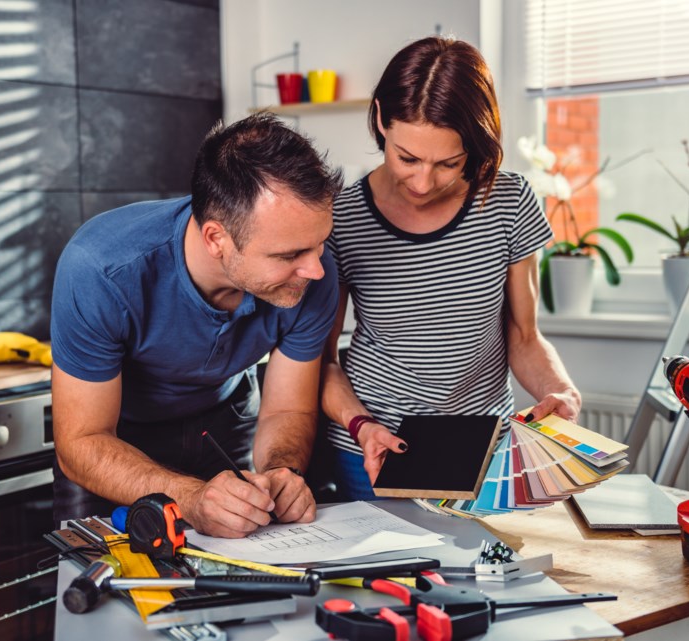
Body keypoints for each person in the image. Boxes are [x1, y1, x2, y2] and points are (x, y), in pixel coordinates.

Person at [51, 113, 342, 537]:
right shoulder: (100, 269)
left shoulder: (314, 273)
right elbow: (81, 441)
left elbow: (287, 409)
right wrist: (189, 498)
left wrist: (283, 472)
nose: (315, 270)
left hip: (225, 421)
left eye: (319, 245)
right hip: (117, 440)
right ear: (215, 239)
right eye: (288, 255)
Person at [320, 37, 582, 500]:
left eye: (448, 163)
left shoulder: (509, 200)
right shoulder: (341, 217)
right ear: (381, 119)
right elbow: (323, 361)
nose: (423, 182)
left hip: (483, 449)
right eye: (407, 158)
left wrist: (560, 391)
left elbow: (523, 337)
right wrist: (361, 426)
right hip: (372, 448)